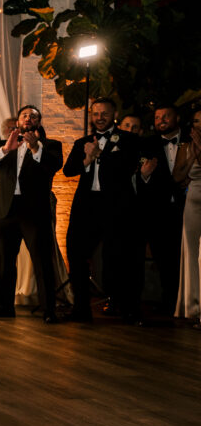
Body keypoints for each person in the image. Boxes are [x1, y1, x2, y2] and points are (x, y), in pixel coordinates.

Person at [0, 105, 63, 323]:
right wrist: (5, 149)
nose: (28, 118)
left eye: (33, 116)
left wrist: (36, 148)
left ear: (39, 121)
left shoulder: (51, 145)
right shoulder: (5, 144)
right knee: (4, 262)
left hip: (34, 213)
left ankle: (49, 310)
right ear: (17, 121)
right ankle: (4, 306)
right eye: (24, 115)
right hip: (4, 211)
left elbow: (54, 166)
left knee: (42, 262)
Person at [63, 97, 141, 322]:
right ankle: (81, 308)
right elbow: (68, 171)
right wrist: (87, 158)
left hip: (116, 206)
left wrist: (100, 154)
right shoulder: (83, 141)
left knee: (118, 257)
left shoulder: (128, 140)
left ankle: (125, 307)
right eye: (95, 114)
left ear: (113, 115)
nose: (99, 118)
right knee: (76, 253)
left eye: (104, 114)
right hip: (86, 206)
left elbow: (127, 167)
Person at [138, 104, 184, 315]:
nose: (161, 121)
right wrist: (145, 175)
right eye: (157, 118)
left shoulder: (192, 141)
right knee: (165, 260)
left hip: (188, 208)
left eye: (166, 116)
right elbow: (141, 178)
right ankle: (169, 303)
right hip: (159, 212)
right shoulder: (147, 144)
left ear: (177, 118)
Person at [173, 108, 201, 321]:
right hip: (192, 200)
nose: (198, 125)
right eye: (196, 121)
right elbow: (178, 177)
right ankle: (192, 305)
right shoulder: (185, 147)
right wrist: (191, 157)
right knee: (190, 251)